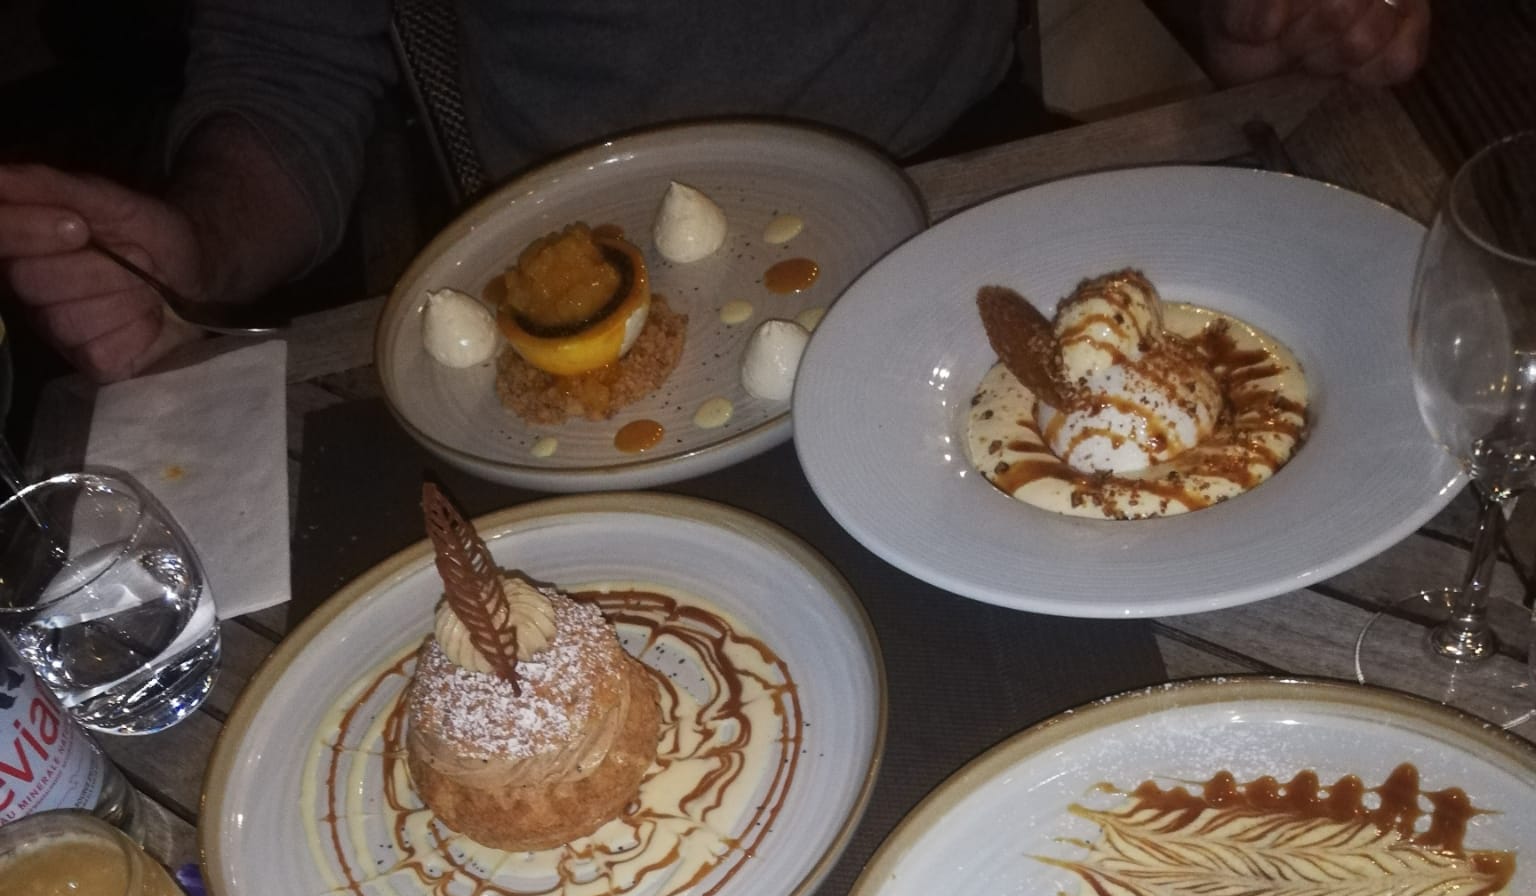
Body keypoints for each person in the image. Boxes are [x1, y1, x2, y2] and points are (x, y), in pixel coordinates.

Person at [0, 0, 1430, 385]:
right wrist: (199, 242)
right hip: (581, 291)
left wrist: (1251, 27)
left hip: (967, 189)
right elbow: (290, 69)